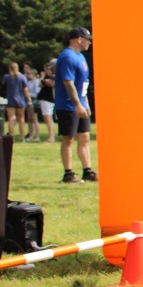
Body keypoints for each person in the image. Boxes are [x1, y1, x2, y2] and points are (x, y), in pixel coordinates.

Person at [55, 26, 98, 184]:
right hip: (67, 105)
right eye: (88, 39)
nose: (89, 43)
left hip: (81, 103)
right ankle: (68, 174)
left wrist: (85, 103)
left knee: (84, 137)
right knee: (68, 139)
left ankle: (88, 171)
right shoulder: (68, 57)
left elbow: (83, 84)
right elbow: (68, 83)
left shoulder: (80, 57)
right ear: (79, 39)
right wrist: (77, 105)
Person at [2, 62, 32, 142]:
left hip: (10, 100)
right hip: (20, 100)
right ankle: (22, 138)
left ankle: (11, 137)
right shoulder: (22, 77)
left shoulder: (6, 77)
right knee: (21, 119)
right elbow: (25, 90)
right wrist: (29, 99)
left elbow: (4, 88)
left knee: (11, 119)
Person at [37, 60, 57, 142]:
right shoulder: (47, 77)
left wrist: (43, 78)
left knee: (48, 118)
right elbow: (40, 85)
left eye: (47, 69)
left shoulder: (52, 77)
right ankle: (51, 136)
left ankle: (51, 137)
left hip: (48, 100)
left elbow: (51, 84)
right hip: (45, 100)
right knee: (46, 118)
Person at [24, 64, 41, 141]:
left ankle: (37, 136)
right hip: (29, 99)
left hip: (34, 100)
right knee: (30, 119)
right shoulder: (29, 82)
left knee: (35, 118)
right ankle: (30, 135)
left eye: (30, 73)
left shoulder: (37, 81)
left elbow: (37, 91)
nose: (28, 75)